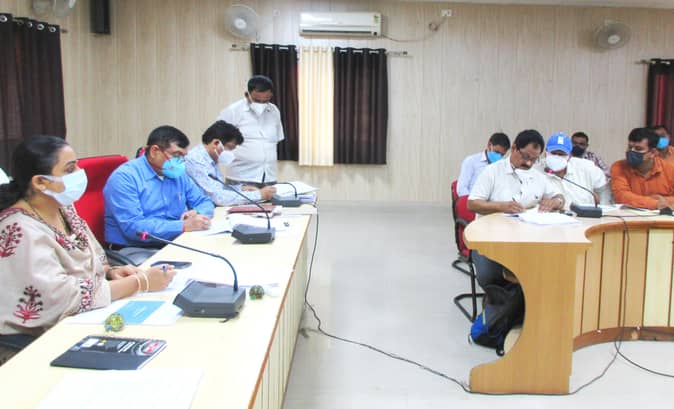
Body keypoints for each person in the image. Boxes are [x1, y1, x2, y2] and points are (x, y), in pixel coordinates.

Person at [0, 136, 175, 364]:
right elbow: (62, 299)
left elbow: (93, 254)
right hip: (37, 343)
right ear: (40, 182)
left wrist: (111, 272)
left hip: (85, 319)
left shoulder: (63, 208)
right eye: (70, 169)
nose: (79, 173)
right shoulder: (19, 230)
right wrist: (141, 282)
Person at [468, 129, 565, 288]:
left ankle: (516, 299)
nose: (529, 163)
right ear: (514, 148)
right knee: (489, 276)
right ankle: (500, 299)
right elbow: (472, 204)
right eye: (526, 157)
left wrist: (555, 202)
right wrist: (501, 206)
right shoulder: (492, 171)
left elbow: (560, 198)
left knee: (544, 271)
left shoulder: (538, 176)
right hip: (490, 238)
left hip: (526, 240)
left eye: (534, 159)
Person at [104, 126, 215, 248]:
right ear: (154, 151)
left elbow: (205, 202)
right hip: (136, 247)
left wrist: (196, 212)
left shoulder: (177, 174)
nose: (180, 162)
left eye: (183, 156)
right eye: (176, 155)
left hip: (174, 241)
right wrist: (182, 225)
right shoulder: (125, 178)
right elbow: (134, 227)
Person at [185, 120, 276, 206]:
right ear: (216, 143)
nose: (231, 153)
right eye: (229, 148)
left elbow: (218, 188)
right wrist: (259, 195)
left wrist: (240, 189)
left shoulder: (211, 159)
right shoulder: (196, 160)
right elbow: (217, 197)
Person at [216, 75, 285, 187]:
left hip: (269, 177)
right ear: (247, 94)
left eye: (265, 100)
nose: (261, 104)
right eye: (257, 100)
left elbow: (276, 139)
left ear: (271, 95)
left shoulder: (274, 111)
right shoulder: (233, 111)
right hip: (240, 179)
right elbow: (216, 140)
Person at [540, 132, 611, 206]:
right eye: (553, 153)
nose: (557, 157)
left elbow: (603, 189)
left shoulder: (586, 167)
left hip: (586, 213)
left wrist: (603, 207)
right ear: (546, 153)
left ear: (570, 156)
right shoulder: (537, 171)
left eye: (561, 154)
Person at [611, 127, 674, 210]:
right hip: (630, 216)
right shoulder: (618, 167)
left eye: (638, 149)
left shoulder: (670, 170)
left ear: (653, 153)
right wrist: (655, 203)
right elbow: (622, 196)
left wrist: (664, 200)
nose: (632, 151)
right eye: (630, 147)